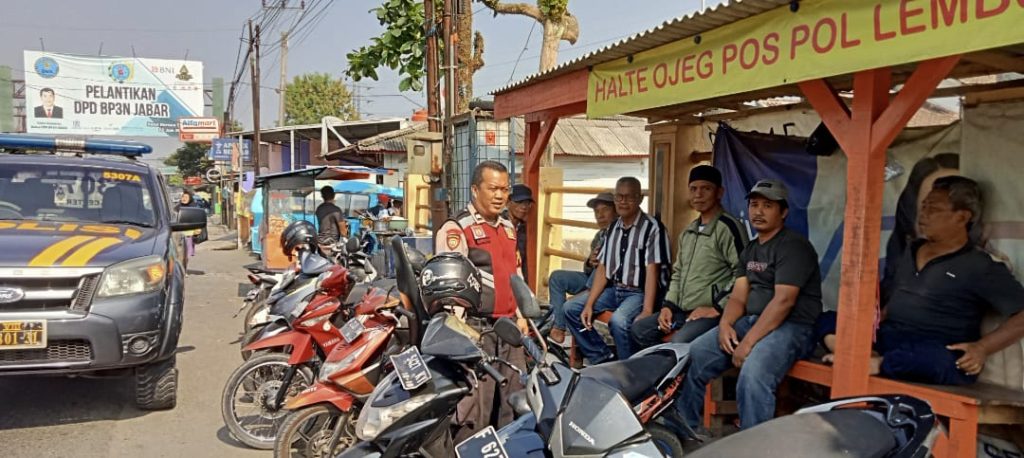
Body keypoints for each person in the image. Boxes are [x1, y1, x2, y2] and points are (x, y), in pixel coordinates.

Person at [819, 176, 1024, 385]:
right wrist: (875, 318)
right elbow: (894, 292)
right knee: (828, 319)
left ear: (962, 217)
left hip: (933, 347)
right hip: (890, 338)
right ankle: (865, 355)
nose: (923, 215)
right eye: (923, 206)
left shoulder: (980, 265)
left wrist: (982, 348)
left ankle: (872, 362)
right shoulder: (910, 250)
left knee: (939, 360)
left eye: (933, 209)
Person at [678, 179, 823, 431]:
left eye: (767, 206)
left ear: (784, 212)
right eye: (754, 204)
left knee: (753, 374)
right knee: (695, 354)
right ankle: (683, 430)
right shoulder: (751, 250)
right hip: (752, 321)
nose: (758, 211)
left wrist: (747, 343)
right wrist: (725, 325)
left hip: (792, 326)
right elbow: (738, 297)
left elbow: (784, 301)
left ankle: (752, 447)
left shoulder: (793, 246)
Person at [435, 160, 529, 442]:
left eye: (504, 189)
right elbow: (449, 287)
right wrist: (460, 334)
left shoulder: (509, 228)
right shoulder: (456, 229)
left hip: (509, 329)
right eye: (493, 189)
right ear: (475, 190)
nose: (500, 195)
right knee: (478, 405)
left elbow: (517, 273)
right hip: (478, 330)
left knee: (515, 401)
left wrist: (523, 315)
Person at [631, 165, 748, 350]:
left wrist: (716, 308)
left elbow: (743, 274)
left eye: (706, 188)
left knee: (680, 342)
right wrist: (667, 306)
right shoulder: (689, 231)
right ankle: (661, 374)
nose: (698, 194)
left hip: (714, 313)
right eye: (693, 189)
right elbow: (677, 273)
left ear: (719, 192)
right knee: (640, 329)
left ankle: (679, 376)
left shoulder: (728, 228)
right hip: (683, 311)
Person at [563, 176, 671, 363]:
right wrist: (589, 303)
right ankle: (603, 358)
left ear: (639, 199)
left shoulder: (652, 228)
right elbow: (604, 268)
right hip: (615, 289)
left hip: (639, 292)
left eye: (628, 197)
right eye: (619, 197)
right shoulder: (614, 227)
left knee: (619, 321)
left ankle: (628, 370)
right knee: (571, 309)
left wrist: (646, 310)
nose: (623, 202)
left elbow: (652, 270)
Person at [547, 192, 617, 344]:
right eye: (596, 212)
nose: (600, 215)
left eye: (605, 209)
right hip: (591, 281)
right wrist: (590, 262)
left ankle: (586, 295)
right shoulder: (600, 235)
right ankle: (558, 326)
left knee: (572, 305)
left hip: (609, 285)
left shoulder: (620, 233)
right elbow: (588, 270)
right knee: (557, 277)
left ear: (616, 210)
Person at [506, 184, 535, 280]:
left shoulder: (527, 229)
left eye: (527, 203)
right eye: (519, 202)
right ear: (508, 202)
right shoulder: (497, 225)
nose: (524, 206)